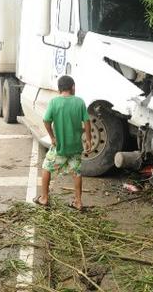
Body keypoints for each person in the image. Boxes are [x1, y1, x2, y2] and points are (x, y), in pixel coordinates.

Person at [34, 75, 92, 211]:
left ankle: (44, 198)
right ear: (72, 87)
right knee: (76, 172)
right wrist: (88, 139)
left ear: (59, 89)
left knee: (46, 167)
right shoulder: (80, 102)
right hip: (76, 147)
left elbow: (46, 120)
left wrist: (52, 137)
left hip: (60, 147)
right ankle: (78, 202)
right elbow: (87, 122)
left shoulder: (54, 102)